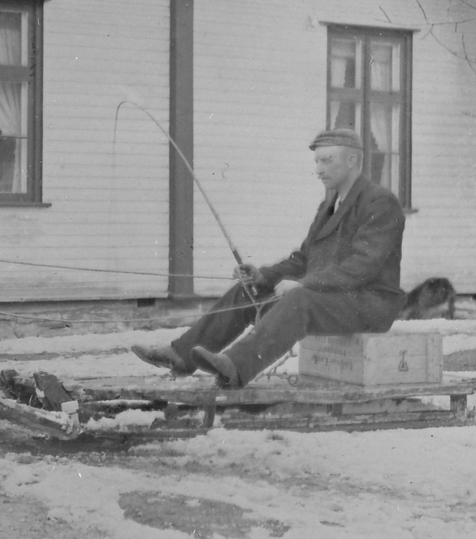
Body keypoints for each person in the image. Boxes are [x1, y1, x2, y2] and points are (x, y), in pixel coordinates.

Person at [133, 127, 407, 388]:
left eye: (326, 161)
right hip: (331, 298)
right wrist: (263, 276)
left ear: (351, 160)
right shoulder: (329, 206)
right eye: (317, 161)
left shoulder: (379, 202)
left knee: (299, 298)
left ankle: (234, 367)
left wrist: (305, 284)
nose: (318, 169)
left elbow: (362, 266)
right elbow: (303, 260)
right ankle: (180, 355)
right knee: (247, 292)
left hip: (368, 304)